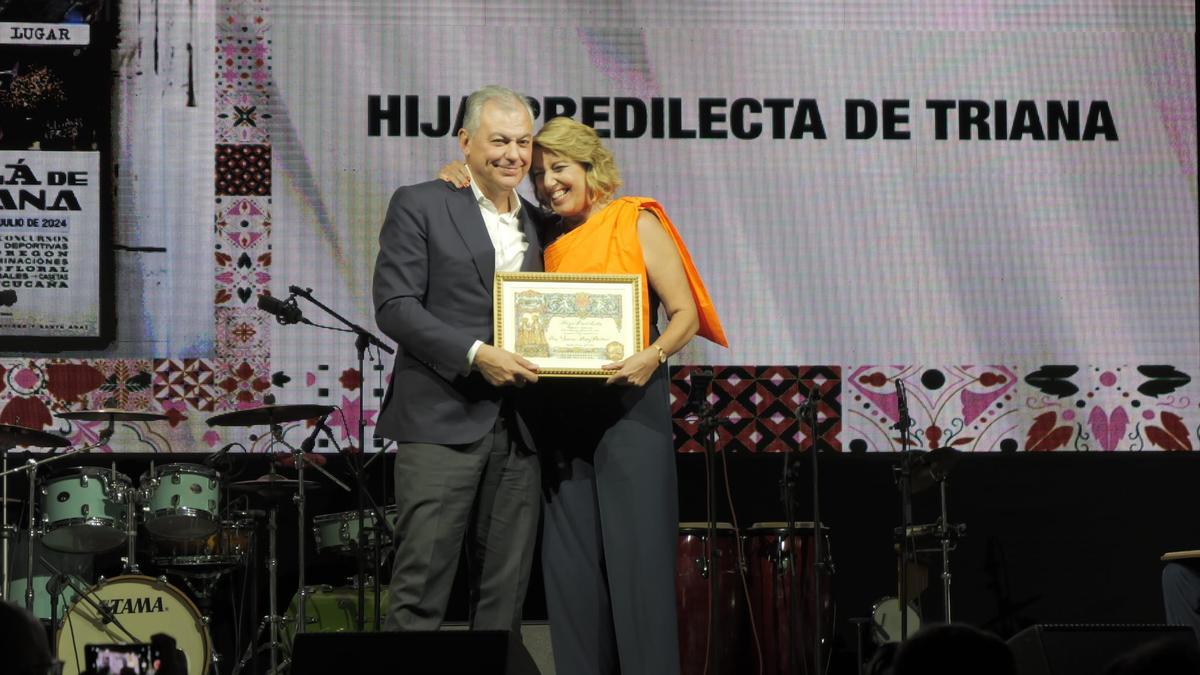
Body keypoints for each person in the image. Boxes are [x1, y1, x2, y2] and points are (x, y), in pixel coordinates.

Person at [441, 115, 727, 675]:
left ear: (590, 167)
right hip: (559, 422)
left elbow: (685, 313)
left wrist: (653, 354)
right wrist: (461, 176)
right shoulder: (544, 233)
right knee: (569, 575)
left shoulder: (636, 219)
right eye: (541, 174)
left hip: (630, 409)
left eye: (559, 170)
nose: (547, 184)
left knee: (639, 570)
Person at [372, 85, 550, 634]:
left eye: (523, 142)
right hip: (440, 419)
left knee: (503, 600)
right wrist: (476, 355)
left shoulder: (544, 224)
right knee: (420, 591)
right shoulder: (422, 201)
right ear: (466, 142)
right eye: (498, 140)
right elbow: (395, 306)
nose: (512, 154)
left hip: (522, 428)